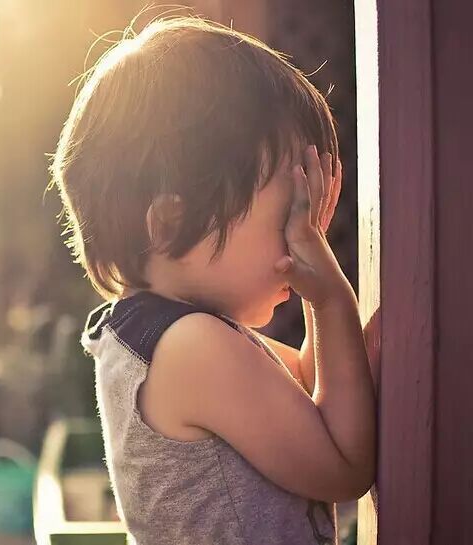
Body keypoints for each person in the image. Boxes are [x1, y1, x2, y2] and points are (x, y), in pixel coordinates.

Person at [47, 13, 376, 545]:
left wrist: (317, 286)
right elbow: (344, 467)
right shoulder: (191, 347)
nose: (302, 236)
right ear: (170, 223)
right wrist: (332, 300)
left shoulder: (164, 339)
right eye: (288, 217)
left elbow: (311, 388)